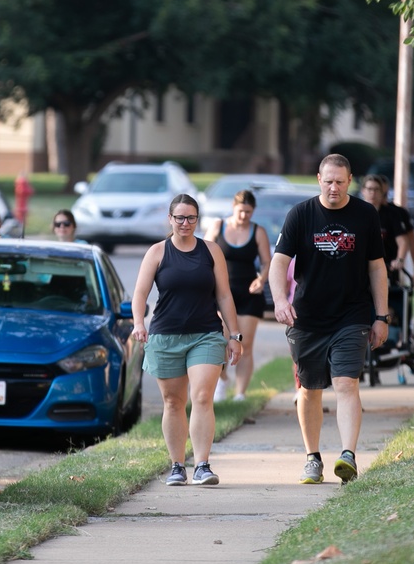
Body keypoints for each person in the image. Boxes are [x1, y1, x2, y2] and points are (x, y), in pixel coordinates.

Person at [268, 153, 389, 485]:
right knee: (309, 388)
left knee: (346, 382)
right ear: (318, 179)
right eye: (328, 181)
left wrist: (381, 316)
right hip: (307, 317)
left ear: (350, 181)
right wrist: (280, 300)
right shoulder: (301, 215)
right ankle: (312, 457)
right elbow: (279, 262)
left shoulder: (365, 215)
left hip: (352, 314)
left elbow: (377, 268)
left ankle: (348, 455)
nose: (333, 187)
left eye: (340, 181)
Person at [132, 194, 243, 487]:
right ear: (170, 219)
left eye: (191, 217)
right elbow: (140, 295)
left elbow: (224, 295)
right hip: (165, 336)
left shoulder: (210, 251)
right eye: (179, 217)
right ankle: (177, 465)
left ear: (198, 219)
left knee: (203, 396)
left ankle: (203, 465)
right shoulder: (157, 252)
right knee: (172, 402)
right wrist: (138, 324)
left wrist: (234, 335)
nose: (185, 223)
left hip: (206, 334)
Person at [203, 189, 272, 402]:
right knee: (221, 340)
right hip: (222, 293)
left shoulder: (258, 231)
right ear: (234, 207)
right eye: (241, 211)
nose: (244, 216)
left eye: (249, 212)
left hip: (249, 294)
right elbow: (202, 254)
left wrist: (262, 279)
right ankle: (222, 379)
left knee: (244, 343)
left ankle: (240, 394)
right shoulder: (218, 226)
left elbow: (267, 262)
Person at [360, 174, 414, 284]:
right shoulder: (355, 213)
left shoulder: (392, 214)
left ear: (382, 193)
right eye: (369, 189)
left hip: (387, 268)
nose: (373, 193)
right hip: (361, 268)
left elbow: (403, 242)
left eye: (376, 190)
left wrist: (399, 260)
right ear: (363, 191)